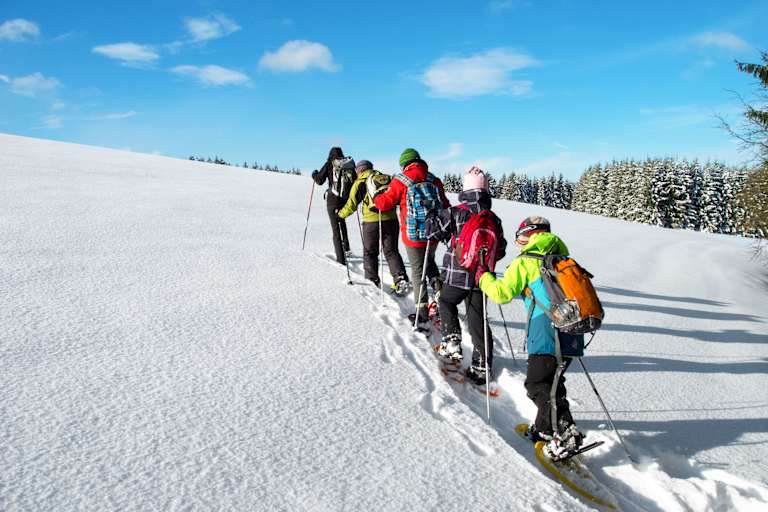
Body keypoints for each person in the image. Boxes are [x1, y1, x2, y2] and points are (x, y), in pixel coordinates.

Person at [476, 217, 585, 457]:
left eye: (521, 237)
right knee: (554, 382)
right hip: (573, 330)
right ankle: (545, 429)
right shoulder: (563, 258)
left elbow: (502, 294)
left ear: (529, 235)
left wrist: (483, 276)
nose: (519, 242)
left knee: (536, 384)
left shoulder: (526, 261)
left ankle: (566, 433)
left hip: (545, 330)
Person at [426, 167, 506, 385]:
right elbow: (501, 249)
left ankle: (452, 340)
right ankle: (482, 366)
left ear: (466, 189)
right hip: (482, 278)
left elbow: (432, 232)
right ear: (485, 190)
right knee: (477, 319)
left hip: (457, 275)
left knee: (446, 301)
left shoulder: (456, 212)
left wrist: (432, 214)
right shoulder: (493, 218)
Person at [373, 148, 450, 327]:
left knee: (417, 271)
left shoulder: (401, 181)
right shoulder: (434, 180)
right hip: (433, 234)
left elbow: (384, 204)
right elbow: (445, 205)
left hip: (413, 235)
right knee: (429, 264)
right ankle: (442, 299)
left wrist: (377, 197)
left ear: (404, 164)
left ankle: (422, 312)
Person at [336, 160, 410, 293]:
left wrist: (340, 215)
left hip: (371, 222)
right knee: (391, 250)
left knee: (370, 252)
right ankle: (400, 279)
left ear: (360, 170)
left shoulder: (360, 182)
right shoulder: (387, 178)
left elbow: (351, 204)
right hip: (391, 219)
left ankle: (372, 280)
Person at [312, 147, 354, 265]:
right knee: (342, 220)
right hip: (345, 199)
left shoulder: (330, 164)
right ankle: (346, 249)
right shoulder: (347, 164)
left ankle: (340, 259)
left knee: (335, 228)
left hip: (333, 199)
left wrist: (314, 174)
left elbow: (319, 180)